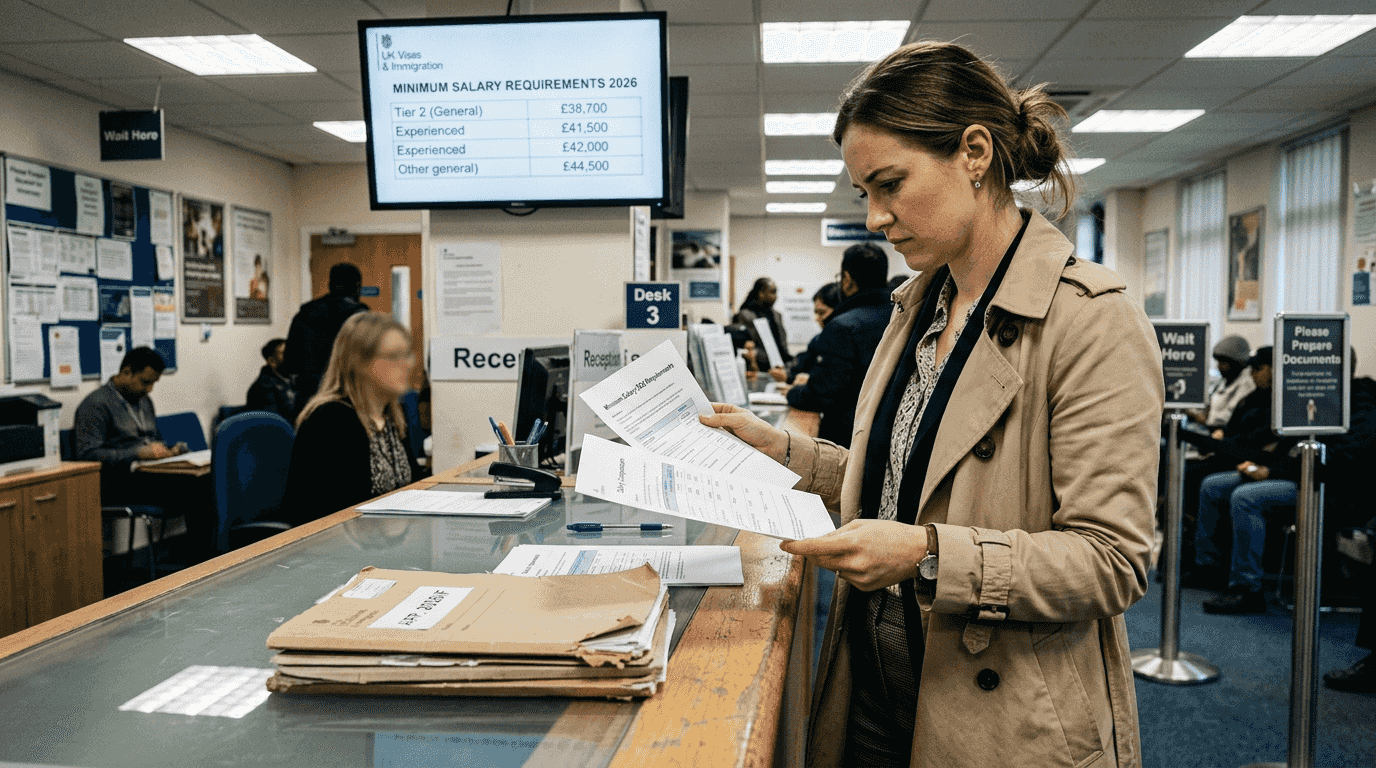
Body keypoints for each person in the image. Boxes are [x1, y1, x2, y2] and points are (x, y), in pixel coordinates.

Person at [700, 41, 1160, 767]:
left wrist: (926, 555)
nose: (876, 218)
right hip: (877, 686)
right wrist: (781, 449)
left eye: (890, 185)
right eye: (864, 195)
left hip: (999, 718)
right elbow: (907, 482)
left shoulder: (1091, 320)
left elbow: (1112, 561)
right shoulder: (920, 307)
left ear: (974, 153)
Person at [1198, 349, 1375, 614]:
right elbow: (1293, 447)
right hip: (1301, 476)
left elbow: (1336, 463)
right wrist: (1265, 466)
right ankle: (1208, 568)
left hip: (1335, 491)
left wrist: (1271, 473)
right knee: (1214, 485)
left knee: (1246, 498)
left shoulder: (1364, 406)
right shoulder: (1321, 398)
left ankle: (1248, 589)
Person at [282, 312, 421, 525]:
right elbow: (331, 513)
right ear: (359, 362)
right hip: (336, 549)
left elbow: (413, 486)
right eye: (394, 356)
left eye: (407, 354)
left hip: (384, 543)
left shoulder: (392, 414)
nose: (407, 364)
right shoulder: (331, 419)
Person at [780, 243, 890, 447]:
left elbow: (821, 395)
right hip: (890, 434)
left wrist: (791, 392)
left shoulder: (843, 326)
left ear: (847, 279)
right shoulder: (903, 317)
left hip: (847, 438)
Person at [74, 347, 186, 500]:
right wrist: (137, 453)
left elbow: (154, 439)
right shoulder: (96, 405)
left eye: (153, 383)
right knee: (193, 486)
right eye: (145, 382)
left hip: (149, 473)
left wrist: (171, 450)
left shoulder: (144, 401)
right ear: (127, 372)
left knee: (204, 478)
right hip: (118, 481)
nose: (149, 389)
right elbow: (87, 456)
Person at [281, 262, 368, 413]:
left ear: (329, 284)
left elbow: (289, 364)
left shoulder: (303, 316)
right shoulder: (362, 319)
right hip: (351, 402)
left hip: (309, 401)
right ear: (357, 287)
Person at [734, 277, 792, 377]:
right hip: (757, 371)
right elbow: (743, 348)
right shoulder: (745, 316)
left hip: (779, 368)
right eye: (772, 292)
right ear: (761, 293)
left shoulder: (777, 315)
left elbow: (782, 345)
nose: (776, 297)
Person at [788, 282, 842, 385]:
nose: (816, 318)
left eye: (821, 313)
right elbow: (803, 362)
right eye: (815, 312)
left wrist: (811, 380)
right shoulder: (817, 340)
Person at [245, 338, 294, 420]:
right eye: (284, 353)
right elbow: (272, 423)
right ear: (272, 361)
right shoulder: (262, 388)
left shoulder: (295, 380)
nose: (291, 357)